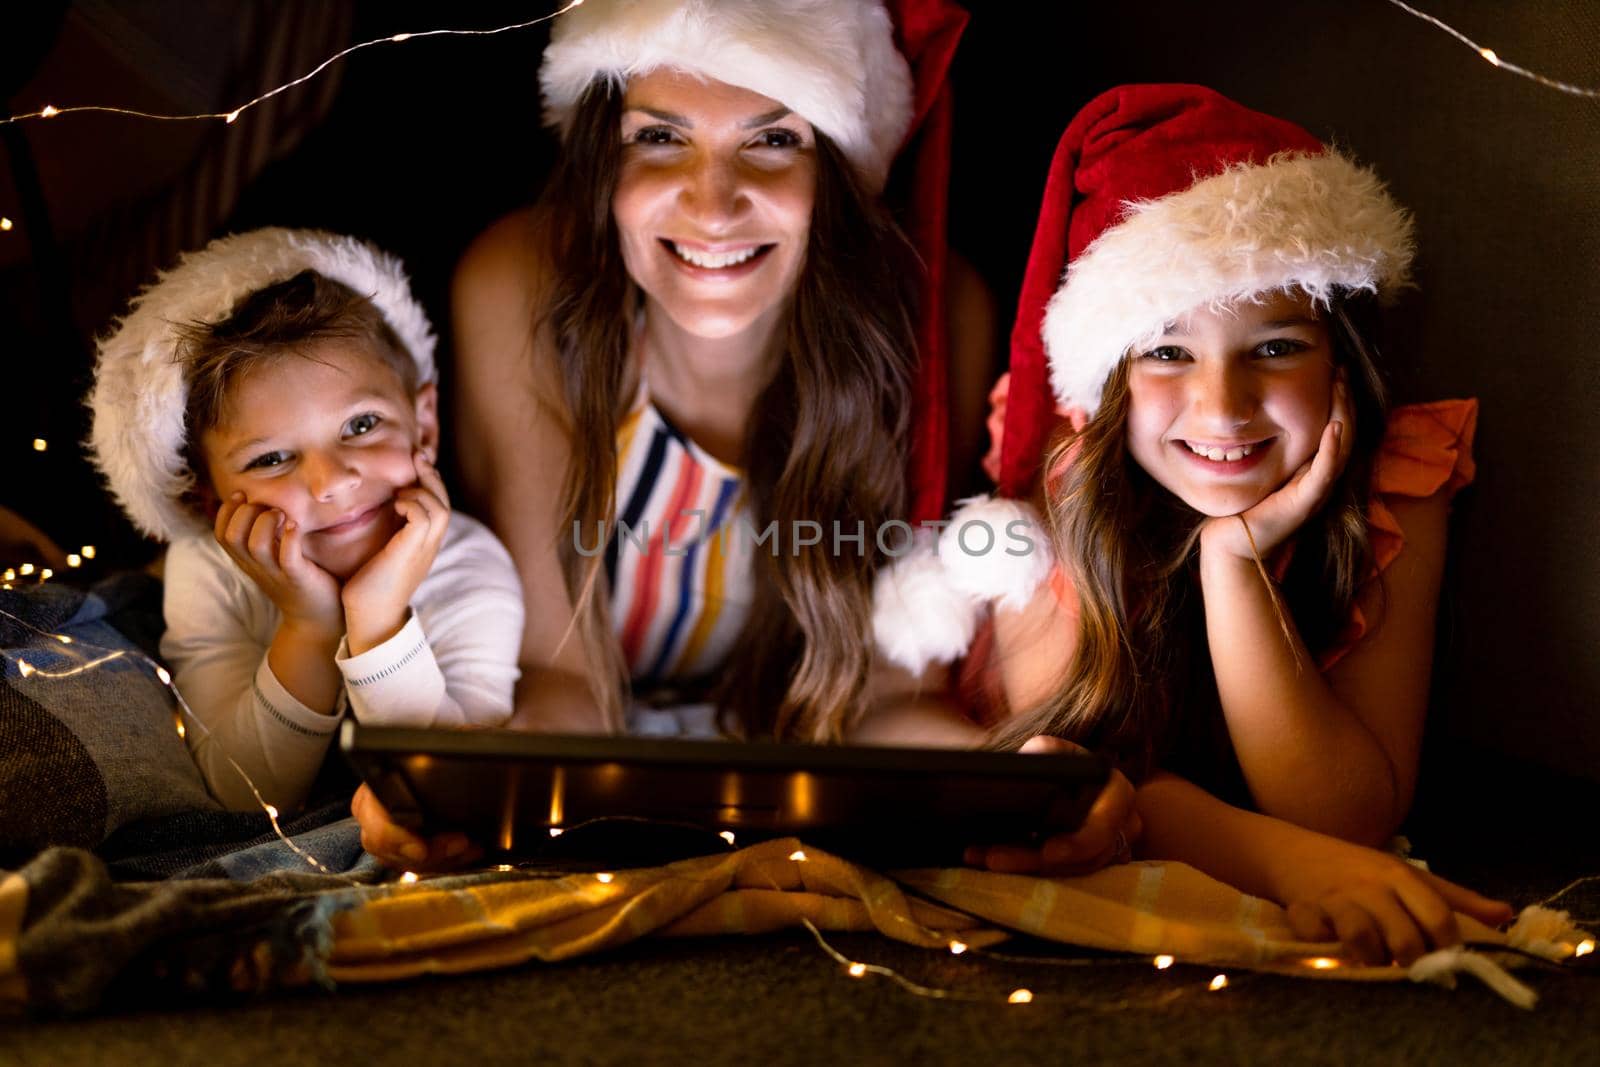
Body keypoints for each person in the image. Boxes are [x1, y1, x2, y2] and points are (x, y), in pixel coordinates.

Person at [353, 0, 1137, 870]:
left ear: (837, 168)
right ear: (601, 160)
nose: (714, 202)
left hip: (821, 805)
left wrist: (1020, 782)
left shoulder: (930, 313)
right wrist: (455, 788)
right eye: (659, 137)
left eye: (773, 140)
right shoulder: (521, 292)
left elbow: (882, 700)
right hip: (591, 788)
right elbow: (562, 679)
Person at [873, 84, 1512, 962]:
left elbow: (1345, 813)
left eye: (1277, 346)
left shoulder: (1396, 479)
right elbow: (1088, 765)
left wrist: (1235, 564)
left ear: (1341, 364)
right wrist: (1286, 864)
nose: (1222, 406)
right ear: (1105, 380)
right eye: (1167, 352)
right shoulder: (1070, 477)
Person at [88, 228, 523, 814]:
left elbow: (451, 786)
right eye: (271, 459)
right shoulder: (208, 571)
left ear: (424, 425)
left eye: (362, 425)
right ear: (208, 501)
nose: (332, 482)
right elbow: (245, 796)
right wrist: (309, 627)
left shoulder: (471, 566)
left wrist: (378, 620)